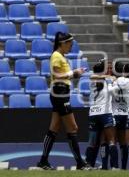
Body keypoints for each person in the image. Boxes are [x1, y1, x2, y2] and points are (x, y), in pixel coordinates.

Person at [37, 32, 90, 170]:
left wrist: (75, 73)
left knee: (53, 128)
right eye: (70, 44)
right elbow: (56, 75)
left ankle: (43, 161)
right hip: (59, 93)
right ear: (63, 43)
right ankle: (80, 164)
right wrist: (73, 73)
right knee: (73, 128)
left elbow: (62, 76)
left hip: (61, 93)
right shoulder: (56, 56)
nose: (71, 47)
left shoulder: (60, 56)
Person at [85, 60, 119, 169]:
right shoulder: (109, 80)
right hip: (105, 113)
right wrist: (110, 78)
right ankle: (115, 166)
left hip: (93, 113)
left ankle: (88, 164)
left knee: (93, 142)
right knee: (111, 140)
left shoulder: (93, 80)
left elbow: (92, 76)